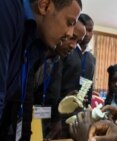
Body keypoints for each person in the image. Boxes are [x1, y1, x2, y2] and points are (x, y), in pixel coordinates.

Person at [0, 0, 82, 140]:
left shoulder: (33, 42)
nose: (69, 34)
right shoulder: (7, 9)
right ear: (44, 6)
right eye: (69, 23)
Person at [33, 17, 87, 140]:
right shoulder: (35, 54)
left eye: (78, 42)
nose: (73, 46)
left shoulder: (55, 60)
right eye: (72, 37)